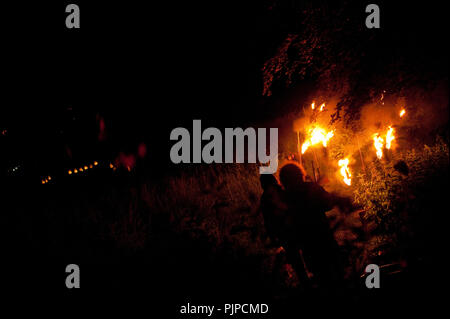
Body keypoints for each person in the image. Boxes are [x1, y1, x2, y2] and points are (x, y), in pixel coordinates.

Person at [278, 163, 351, 290]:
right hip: (323, 238)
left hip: (307, 244)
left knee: (321, 277)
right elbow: (328, 203)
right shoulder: (309, 188)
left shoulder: (284, 197)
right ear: (300, 175)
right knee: (337, 276)